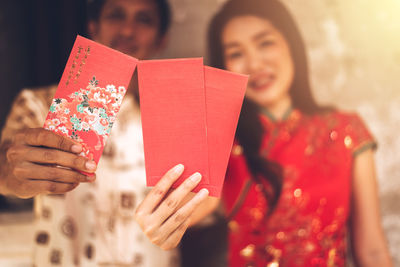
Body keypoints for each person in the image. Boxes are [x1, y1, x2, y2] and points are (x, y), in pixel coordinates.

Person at [134, 0, 393, 266]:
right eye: (236, 54)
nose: (254, 63)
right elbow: (195, 203)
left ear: (291, 44)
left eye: (265, 43)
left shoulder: (346, 130)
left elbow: (371, 252)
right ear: (225, 67)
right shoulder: (223, 139)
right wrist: (161, 219)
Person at [0, 0, 187, 266]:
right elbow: (6, 165)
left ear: (162, 39)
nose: (127, 29)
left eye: (144, 20)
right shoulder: (41, 104)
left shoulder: (177, 118)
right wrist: (11, 172)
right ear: (93, 27)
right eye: (115, 15)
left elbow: (204, 202)